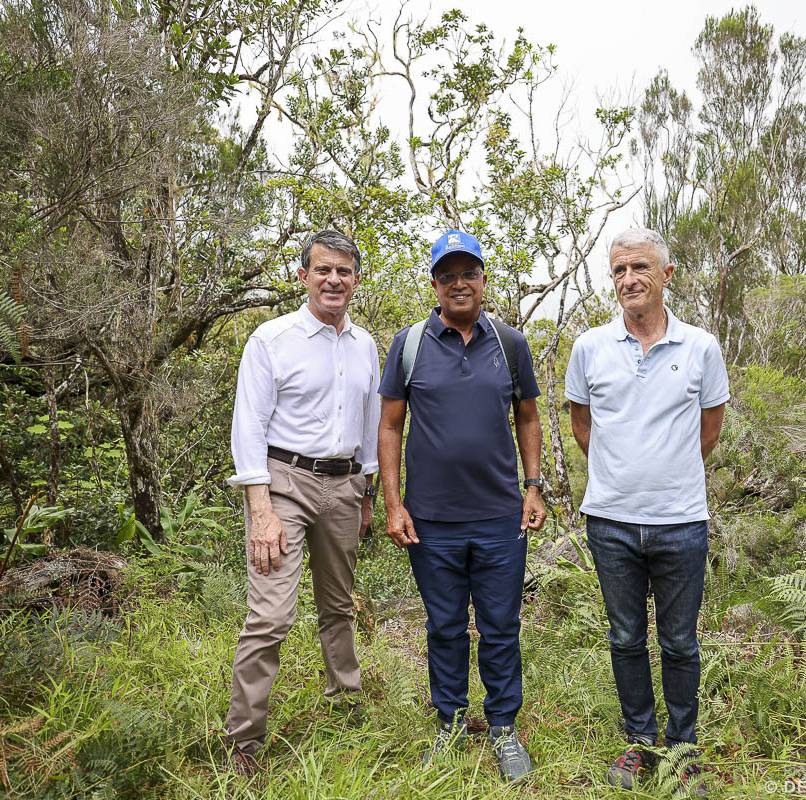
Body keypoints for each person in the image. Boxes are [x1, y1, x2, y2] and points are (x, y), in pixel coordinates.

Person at [378, 229, 547, 783]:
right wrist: (394, 504)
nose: (458, 284)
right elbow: (389, 426)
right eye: (447, 275)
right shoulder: (408, 345)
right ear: (434, 283)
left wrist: (533, 485)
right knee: (445, 626)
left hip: (501, 516)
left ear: (482, 279)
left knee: (501, 626)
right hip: (430, 521)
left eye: (467, 273)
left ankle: (503, 728)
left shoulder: (510, 343)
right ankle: (449, 722)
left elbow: (527, 416)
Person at [564, 228, 728, 794]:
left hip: (681, 521)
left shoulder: (702, 347)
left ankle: (683, 752)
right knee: (626, 637)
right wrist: (622, 473)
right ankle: (639, 743)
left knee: (680, 642)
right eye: (618, 271)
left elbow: (710, 430)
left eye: (638, 268)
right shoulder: (589, 348)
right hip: (609, 520)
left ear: (667, 273)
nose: (628, 280)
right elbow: (582, 425)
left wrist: (667, 471)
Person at [223, 230, 380, 775]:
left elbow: (368, 423)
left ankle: (347, 702)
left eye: (344, 272)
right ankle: (244, 742)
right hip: (283, 482)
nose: (333, 280)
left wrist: (367, 497)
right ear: (304, 277)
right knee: (270, 615)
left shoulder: (364, 345)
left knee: (338, 606)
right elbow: (249, 428)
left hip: (344, 486)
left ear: (356, 280)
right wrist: (261, 510)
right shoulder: (272, 339)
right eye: (323, 270)